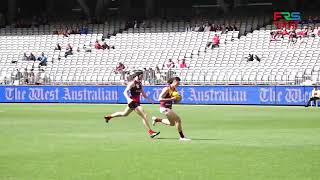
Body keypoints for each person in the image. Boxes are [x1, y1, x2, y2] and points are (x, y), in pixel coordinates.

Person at [104, 70, 160, 138]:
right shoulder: (132, 83)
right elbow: (125, 92)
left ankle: (109, 117)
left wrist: (150, 100)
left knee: (124, 114)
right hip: (133, 102)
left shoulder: (140, 84)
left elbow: (143, 94)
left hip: (135, 102)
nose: (142, 77)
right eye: (141, 75)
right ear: (137, 76)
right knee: (144, 115)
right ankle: (150, 132)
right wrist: (128, 99)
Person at [152, 77, 191, 141]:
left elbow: (175, 101)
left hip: (168, 108)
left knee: (172, 124)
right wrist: (171, 99)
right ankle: (182, 137)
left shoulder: (174, 90)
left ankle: (157, 119)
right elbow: (159, 99)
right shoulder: (166, 89)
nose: (178, 83)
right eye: (177, 82)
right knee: (178, 120)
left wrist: (178, 99)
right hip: (164, 108)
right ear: (174, 81)